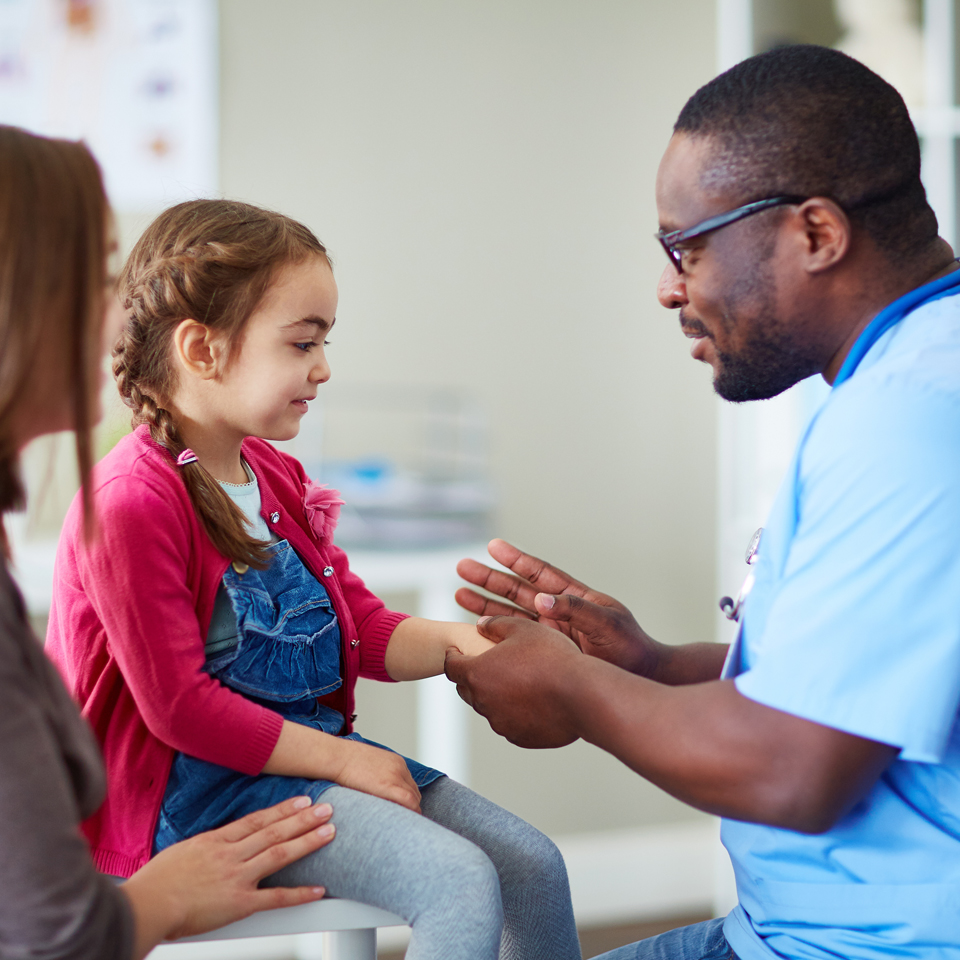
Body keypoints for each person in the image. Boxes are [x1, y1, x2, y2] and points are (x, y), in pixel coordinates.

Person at [446, 45, 960, 960]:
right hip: (780, 930)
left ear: (815, 234)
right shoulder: (910, 373)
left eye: (687, 246)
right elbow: (869, 685)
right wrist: (649, 663)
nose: (668, 287)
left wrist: (577, 692)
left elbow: (795, 769)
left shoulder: (910, 419)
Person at [45, 198, 581, 960]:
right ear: (203, 348)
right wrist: (348, 759)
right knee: (458, 881)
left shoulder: (273, 474)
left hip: (301, 759)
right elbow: (179, 708)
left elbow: (357, 630)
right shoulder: (130, 501)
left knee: (532, 867)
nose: (323, 369)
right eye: (303, 343)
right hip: (194, 796)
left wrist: (482, 643)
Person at [0, 125, 341, 960]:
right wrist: (159, 899)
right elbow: (56, 932)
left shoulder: (265, 474)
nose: (123, 310)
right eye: (102, 274)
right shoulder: (128, 498)